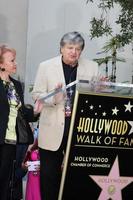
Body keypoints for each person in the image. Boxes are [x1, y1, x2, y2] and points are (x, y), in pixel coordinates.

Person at [32, 31, 99, 200]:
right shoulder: (46, 66)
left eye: (77, 49)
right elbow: (37, 94)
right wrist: (54, 98)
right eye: (70, 47)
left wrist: (101, 89)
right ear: (61, 48)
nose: (73, 52)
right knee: (49, 177)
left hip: (78, 130)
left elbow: (93, 97)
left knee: (75, 176)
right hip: (52, 129)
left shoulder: (92, 67)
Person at [0, 44, 36, 200]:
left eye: (15, 60)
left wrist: (37, 110)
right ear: (1, 64)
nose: (15, 64)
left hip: (10, 140)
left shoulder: (16, 85)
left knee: (4, 179)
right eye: (11, 60)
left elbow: (22, 113)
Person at [22, 126, 41, 200]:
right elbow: (23, 164)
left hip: (41, 177)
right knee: (31, 195)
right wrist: (26, 165)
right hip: (31, 176)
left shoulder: (47, 151)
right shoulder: (31, 148)